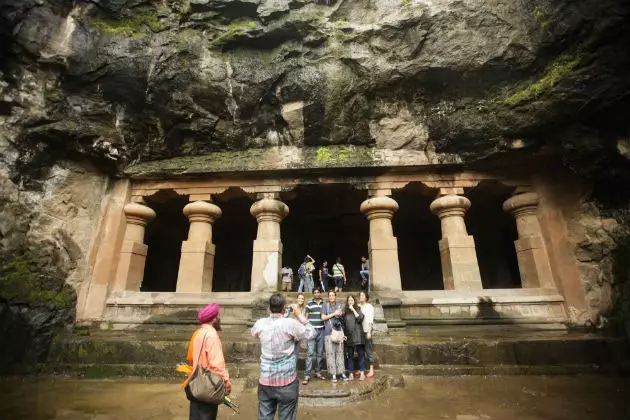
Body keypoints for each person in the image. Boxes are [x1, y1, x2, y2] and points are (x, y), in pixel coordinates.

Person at [251, 293, 315, 420]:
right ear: (284, 307)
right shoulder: (290, 323)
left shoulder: (260, 323)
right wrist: (299, 315)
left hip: (266, 380)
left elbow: (254, 333)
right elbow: (311, 332)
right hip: (287, 381)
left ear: (269, 307)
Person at [184, 303, 232, 420]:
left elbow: (190, 358)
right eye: (218, 316)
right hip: (208, 385)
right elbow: (216, 365)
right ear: (214, 319)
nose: (219, 318)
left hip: (195, 383)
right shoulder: (211, 335)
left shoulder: (198, 333)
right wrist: (226, 382)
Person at [322, 290, 347, 382]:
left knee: (340, 352)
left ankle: (342, 372)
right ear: (328, 297)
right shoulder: (325, 305)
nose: (331, 297)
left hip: (339, 331)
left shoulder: (339, 305)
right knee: (330, 353)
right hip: (329, 332)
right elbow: (323, 317)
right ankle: (333, 374)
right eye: (330, 295)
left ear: (335, 296)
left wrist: (340, 315)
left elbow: (341, 317)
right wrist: (334, 314)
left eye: (333, 295)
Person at [303, 288, 326, 384]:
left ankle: (318, 372)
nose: (316, 294)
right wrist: (307, 329)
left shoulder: (324, 304)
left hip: (321, 330)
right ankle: (307, 375)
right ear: (313, 294)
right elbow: (306, 318)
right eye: (315, 293)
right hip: (312, 331)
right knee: (310, 353)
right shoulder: (309, 304)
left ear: (320, 293)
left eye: (318, 292)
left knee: (320, 353)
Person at [343, 295, 365, 380]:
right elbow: (344, 324)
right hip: (349, 336)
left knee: (361, 355)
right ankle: (351, 373)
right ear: (347, 302)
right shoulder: (345, 311)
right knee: (350, 356)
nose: (350, 302)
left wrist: (353, 309)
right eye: (349, 301)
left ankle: (362, 373)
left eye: (352, 300)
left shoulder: (358, 309)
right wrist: (344, 334)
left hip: (358, 335)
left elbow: (360, 318)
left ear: (354, 301)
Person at [359, 291, 375, 378]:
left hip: (366, 331)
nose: (360, 296)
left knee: (368, 350)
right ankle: (362, 369)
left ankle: (371, 369)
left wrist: (369, 331)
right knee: (360, 350)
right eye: (360, 295)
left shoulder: (369, 306)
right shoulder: (359, 306)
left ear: (366, 297)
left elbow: (371, 320)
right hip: (359, 332)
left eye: (362, 295)